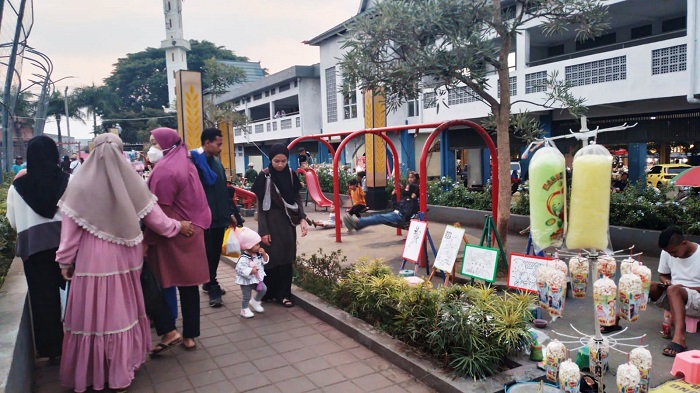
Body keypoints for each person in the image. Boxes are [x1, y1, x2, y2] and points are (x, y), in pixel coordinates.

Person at [55, 133, 193, 392]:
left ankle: (94, 372)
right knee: (122, 313)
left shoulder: (79, 185)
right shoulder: (132, 184)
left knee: (94, 316)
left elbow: (69, 233)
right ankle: (121, 371)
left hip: (92, 261)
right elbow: (158, 220)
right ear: (120, 153)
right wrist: (179, 226)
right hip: (127, 255)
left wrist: (64, 262)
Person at [145, 127, 211, 353]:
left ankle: (168, 331)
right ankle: (190, 336)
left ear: (166, 144)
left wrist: (147, 241)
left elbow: (158, 211)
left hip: (173, 234)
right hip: (193, 230)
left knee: (161, 283)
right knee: (189, 285)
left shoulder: (164, 170)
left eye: (154, 143)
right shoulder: (186, 163)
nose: (151, 148)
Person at [6, 136, 69, 363]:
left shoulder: (17, 187)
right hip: (66, 248)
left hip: (33, 250)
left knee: (43, 300)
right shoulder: (66, 181)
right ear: (55, 155)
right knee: (73, 296)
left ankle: (53, 351)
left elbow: (12, 221)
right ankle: (77, 344)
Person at [602, 227, 700, 357]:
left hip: (696, 300)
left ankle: (679, 339)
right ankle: (617, 318)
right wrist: (666, 282)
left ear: (683, 243)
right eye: (668, 252)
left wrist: (683, 288)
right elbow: (663, 275)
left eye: (674, 252)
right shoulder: (667, 253)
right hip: (674, 295)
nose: (671, 255)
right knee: (647, 286)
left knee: (673, 289)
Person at [190, 128, 244, 307]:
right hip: (204, 219)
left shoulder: (216, 163)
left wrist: (230, 214)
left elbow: (222, 191)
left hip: (220, 217)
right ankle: (212, 285)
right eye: (218, 144)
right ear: (207, 143)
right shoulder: (194, 164)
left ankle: (208, 281)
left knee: (214, 254)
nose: (221, 148)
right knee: (209, 254)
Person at [251, 144, 309, 307]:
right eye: (277, 161)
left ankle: (284, 294)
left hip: (288, 222)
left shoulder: (290, 174)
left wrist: (302, 218)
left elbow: (297, 198)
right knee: (269, 259)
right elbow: (261, 206)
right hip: (270, 222)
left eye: (284, 161)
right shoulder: (264, 176)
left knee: (286, 258)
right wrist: (263, 230)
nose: (280, 164)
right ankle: (269, 293)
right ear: (271, 160)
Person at [343, 172, 420, 231]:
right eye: (409, 177)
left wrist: (411, 196)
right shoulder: (406, 199)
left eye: (412, 178)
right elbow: (396, 205)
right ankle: (358, 224)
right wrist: (393, 195)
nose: (409, 179)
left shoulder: (412, 200)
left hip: (400, 216)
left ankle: (358, 223)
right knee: (377, 217)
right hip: (397, 213)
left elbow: (409, 209)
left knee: (378, 217)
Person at [234, 227, 269, 318]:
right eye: (256, 244)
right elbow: (239, 268)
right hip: (246, 281)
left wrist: (264, 254)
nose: (259, 246)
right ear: (249, 246)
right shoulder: (244, 258)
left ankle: (255, 301)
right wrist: (250, 271)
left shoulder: (257, 254)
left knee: (263, 289)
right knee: (246, 296)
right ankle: (244, 309)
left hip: (257, 279)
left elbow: (265, 261)